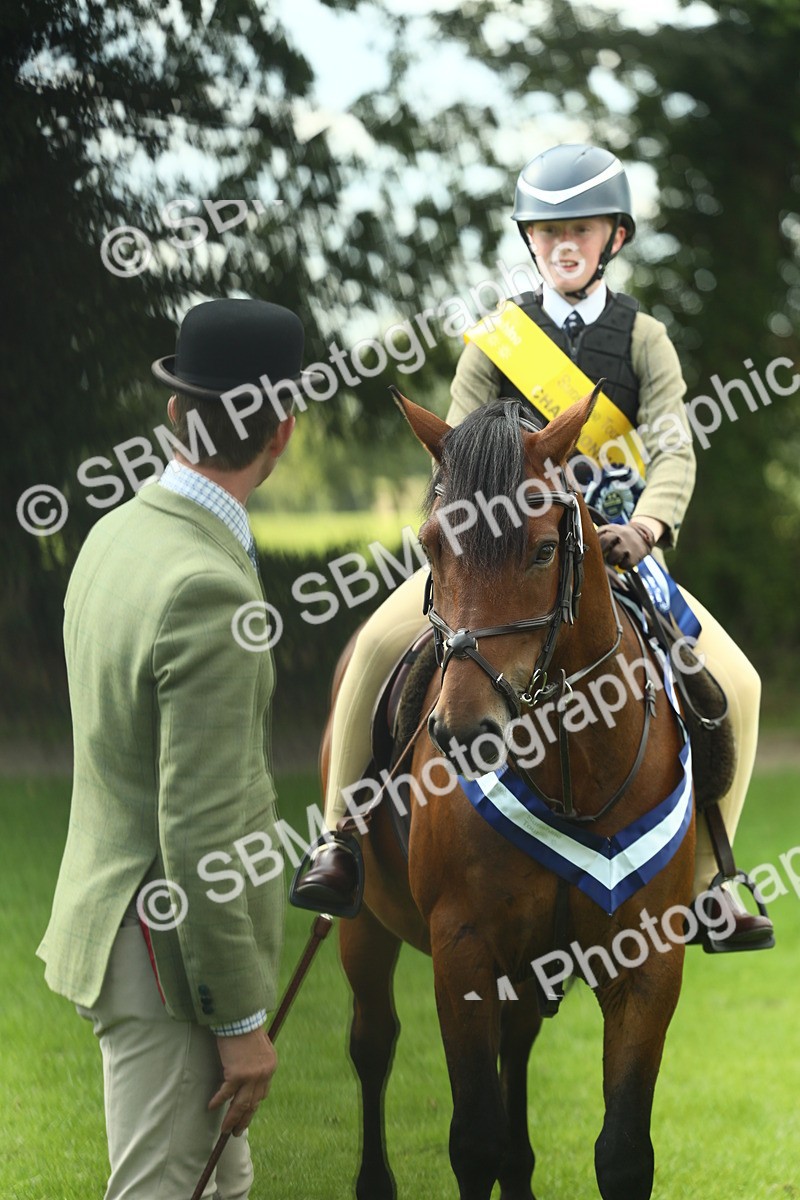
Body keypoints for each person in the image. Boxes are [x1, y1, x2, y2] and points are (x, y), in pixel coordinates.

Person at [294, 144, 774, 950]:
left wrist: (647, 526)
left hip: (617, 550)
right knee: (375, 647)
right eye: (549, 232)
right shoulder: (496, 341)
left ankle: (707, 883)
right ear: (530, 241)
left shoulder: (645, 338)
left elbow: (674, 448)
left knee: (741, 684)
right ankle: (340, 836)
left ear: (615, 237)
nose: (564, 245)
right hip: (499, 562)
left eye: (581, 230)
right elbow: (453, 454)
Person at [37, 298, 316, 1199]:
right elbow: (200, 829)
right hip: (169, 964)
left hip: (126, 935)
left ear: (174, 414)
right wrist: (238, 1022)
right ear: (282, 430)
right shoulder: (207, 588)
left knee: (222, 1188)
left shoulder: (113, 535)